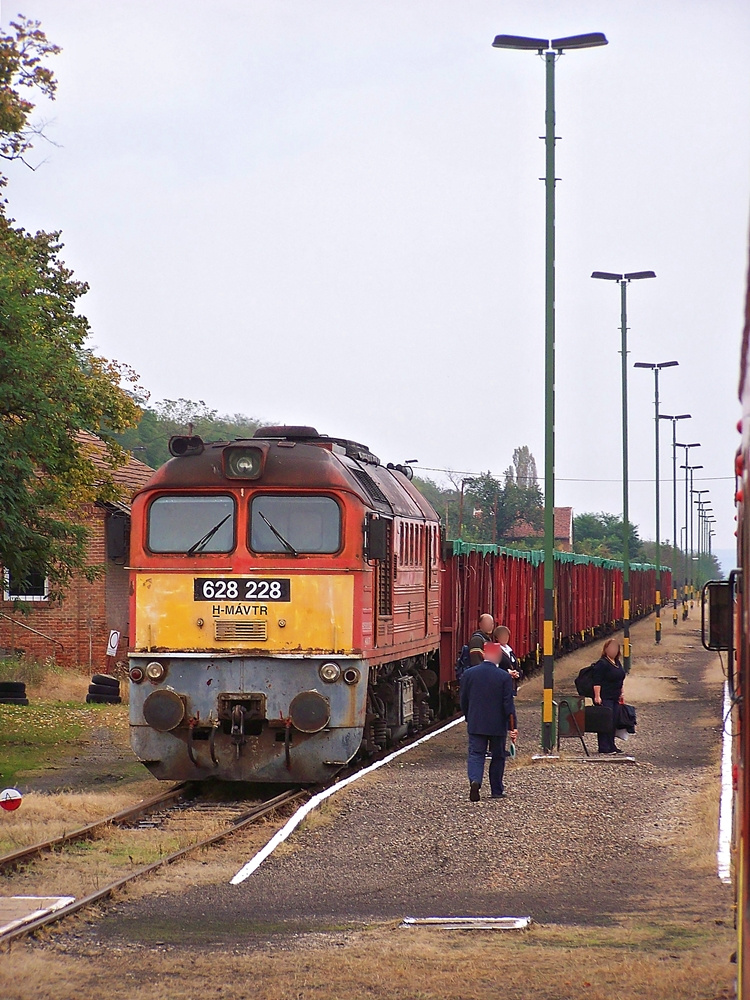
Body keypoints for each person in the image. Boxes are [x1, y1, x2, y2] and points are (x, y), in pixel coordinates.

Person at [459, 642, 517, 800]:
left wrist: (468, 716)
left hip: (476, 721)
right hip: (497, 724)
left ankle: (475, 781)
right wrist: (513, 727)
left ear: (484, 654)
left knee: (476, 754)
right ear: (498, 656)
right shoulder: (504, 677)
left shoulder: (469, 674)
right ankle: (496, 790)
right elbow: (508, 704)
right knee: (498, 756)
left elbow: (463, 699)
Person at [592, 639, 626, 755]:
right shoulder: (602, 663)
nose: (613, 650)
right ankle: (604, 747)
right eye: (611, 648)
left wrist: (621, 693)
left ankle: (611, 745)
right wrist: (597, 696)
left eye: (615, 648)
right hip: (605, 697)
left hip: (615, 697)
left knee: (614, 722)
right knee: (605, 722)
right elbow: (597, 681)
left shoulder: (616, 662)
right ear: (606, 649)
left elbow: (620, 678)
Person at [493, 624, 522, 691]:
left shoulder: (510, 651)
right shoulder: (495, 650)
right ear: (497, 638)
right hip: (500, 687)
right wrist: (507, 673)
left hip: (511, 686)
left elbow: (516, 666)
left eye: (507, 636)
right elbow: (493, 668)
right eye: (502, 636)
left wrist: (517, 673)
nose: (505, 638)